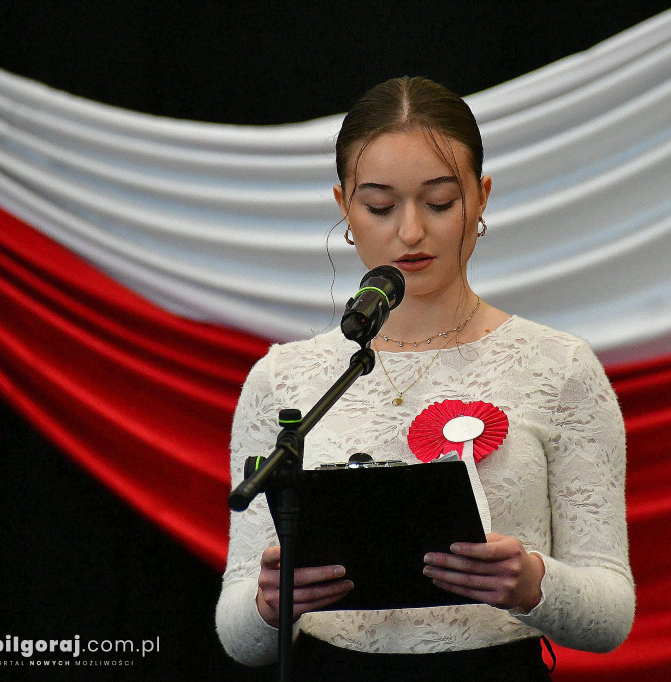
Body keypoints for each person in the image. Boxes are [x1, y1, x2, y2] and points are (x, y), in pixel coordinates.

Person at [216, 77, 634, 680]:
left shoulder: (560, 367)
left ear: (482, 197)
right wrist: (267, 606)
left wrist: (536, 584)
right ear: (343, 207)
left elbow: (611, 613)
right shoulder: (285, 378)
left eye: (439, 201)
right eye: (380, 207)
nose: (410, 232)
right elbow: (239, 631)